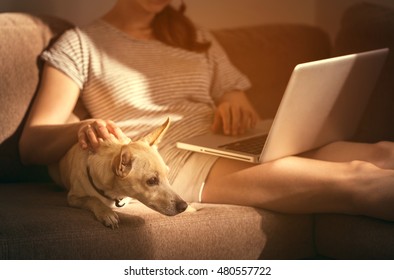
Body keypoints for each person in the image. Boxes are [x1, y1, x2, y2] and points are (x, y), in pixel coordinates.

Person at [19, 0, 394, 221]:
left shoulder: (194, 37)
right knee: (358, 178)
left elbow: (233, 89)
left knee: (383, 152)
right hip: (176, 161)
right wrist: (82, 126)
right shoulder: (80, 44)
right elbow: (32, 143)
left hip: (231, 141)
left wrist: (234, 99)